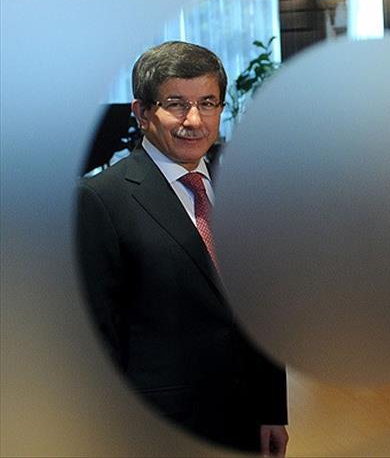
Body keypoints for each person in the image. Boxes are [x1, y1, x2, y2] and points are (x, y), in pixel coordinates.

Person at [76, 41, 288, 455]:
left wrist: (271, 409)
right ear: (142, 113)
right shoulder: (100, 199)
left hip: (243, 421)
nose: (194, 120)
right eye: (176, 104)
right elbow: (95, 336)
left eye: (208, 103)